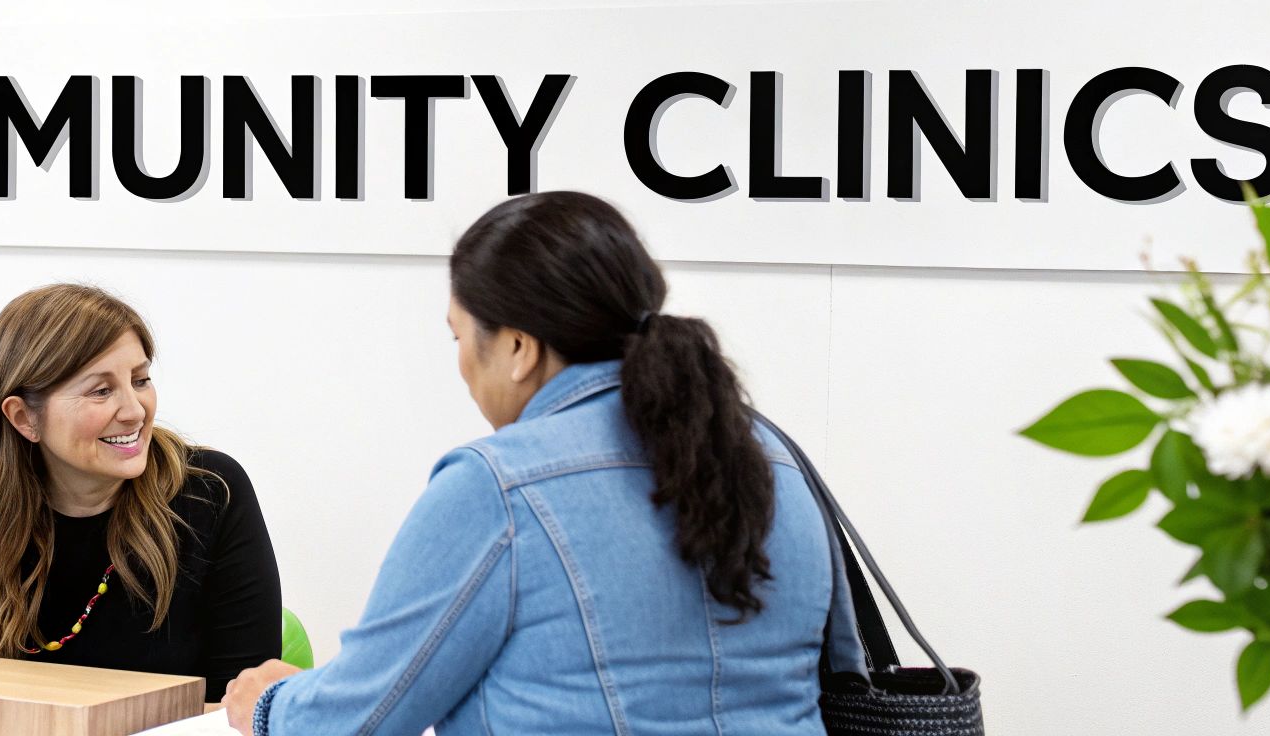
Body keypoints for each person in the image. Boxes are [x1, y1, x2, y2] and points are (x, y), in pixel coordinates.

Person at [224, 191, 848, 735]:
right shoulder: (771, 456)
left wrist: (270, 703)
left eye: (460, 338)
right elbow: (841, 675)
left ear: (520, 348)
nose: (463, 365)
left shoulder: (497, 486)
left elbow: (358, 718)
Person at [0, 283, 280, 700]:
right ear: (24, 418)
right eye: (101, 391)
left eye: (140, 380)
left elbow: (241, 705)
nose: (134, 411)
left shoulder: (209, 494)